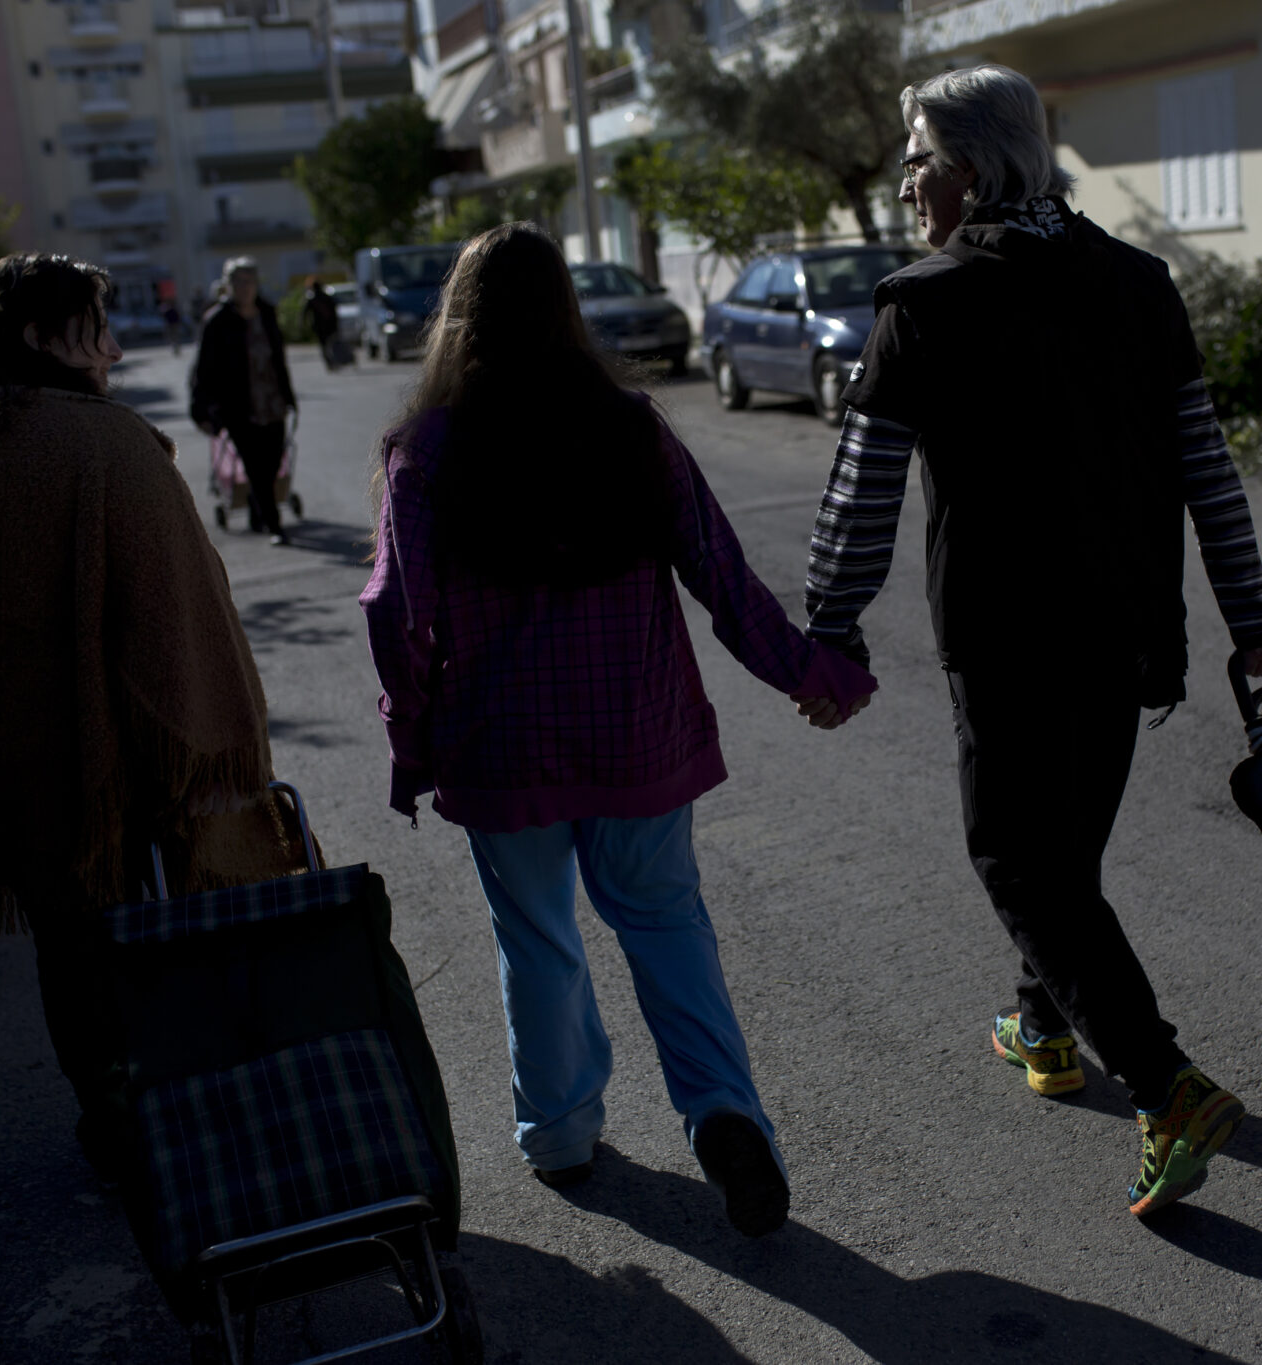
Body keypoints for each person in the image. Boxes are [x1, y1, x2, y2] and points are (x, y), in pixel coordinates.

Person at [801, 65, 1262, 1220]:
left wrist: (828, 627)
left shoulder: (923, 303)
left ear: (970, 170)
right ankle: (1041, 1026)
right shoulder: (1138, 284)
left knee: (1019, 862)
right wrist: (1254, 617)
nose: (907, 186)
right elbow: (1206, 470)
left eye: (916, 162)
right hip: (1127, 632)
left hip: (1007, 639)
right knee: (1062, 854)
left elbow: (860, 494)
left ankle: (1165, 1086)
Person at [361, 223, 876, 1237]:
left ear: (459, 320)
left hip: (500, 749)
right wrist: (813, 675)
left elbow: (393, 611)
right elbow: (721, 575)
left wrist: (410, 736)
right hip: (636, 733)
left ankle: (558, 1135)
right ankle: (724, 1113)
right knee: (666, 925)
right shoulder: (630, 428)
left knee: (536, 938)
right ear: (567, 311)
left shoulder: (427, 449)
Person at [0, 253, 308, 1181]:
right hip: (122, 771)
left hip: (2, 764)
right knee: (165, 936)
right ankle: (183, 1119)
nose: (114, 349)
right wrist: (211, 742)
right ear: (37, 336)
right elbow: (181, 620)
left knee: (66, 948)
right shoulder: (108, 445)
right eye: (95, 329)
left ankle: (110, 1118)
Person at [190, 256, 296, 544]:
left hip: (273, 403)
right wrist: (200, 410)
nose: (245, 287)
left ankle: (257, 506)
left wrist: (289, 396)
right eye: (238, 281)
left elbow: (279, 360)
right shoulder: (217, 321)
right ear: (228, 285)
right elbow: (204, 369)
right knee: (255, 466)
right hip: (238, 407)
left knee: (273, 462)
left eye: (249, 281)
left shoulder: (267, 313)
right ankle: (275, 526)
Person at [302, 275, 345, 371]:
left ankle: (330, 362)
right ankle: (334, 361)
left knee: (324, 346)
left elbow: (304, 313)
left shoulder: (312, 299)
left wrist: (304, 325)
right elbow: (335, 311)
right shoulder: (327, 297)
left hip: (319, 327)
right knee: (332, 344)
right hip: (330, 325)